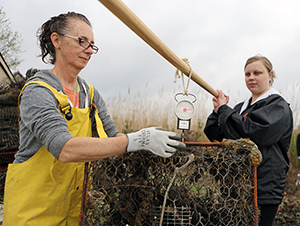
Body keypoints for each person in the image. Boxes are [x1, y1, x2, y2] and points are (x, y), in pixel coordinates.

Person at [3, 12, 185, 226]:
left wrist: (147, 140)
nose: (89, 50)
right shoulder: (38, 91)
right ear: (56, 40)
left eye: (92, 45)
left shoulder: (90, 94)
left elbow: (114, 137)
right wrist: (136, 140)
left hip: (71, 210)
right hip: (31, 211)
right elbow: (64, 148)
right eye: (82, 41)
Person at [204, 55, 293, 226]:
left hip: (265, 186)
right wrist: (217, 112)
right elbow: (218, 135)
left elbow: (254, 134)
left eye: (257, 73)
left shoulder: (278, 106)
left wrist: (225, 110)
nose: (251, 77)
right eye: (247, 74)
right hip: (238, 184)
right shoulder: (240, 108)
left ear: (270, 75)